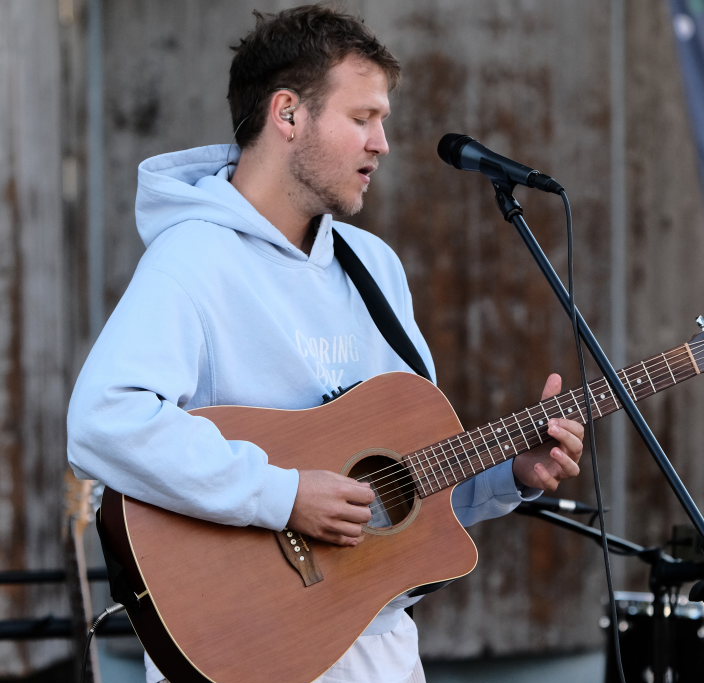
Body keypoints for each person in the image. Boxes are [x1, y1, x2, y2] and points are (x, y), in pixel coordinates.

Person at [65, 5, 585, 682]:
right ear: (288, 114)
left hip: (380, 649)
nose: (382, 143)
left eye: (383, 121)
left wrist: (511, 475)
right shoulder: (192, 260)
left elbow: (395, 496)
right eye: (362, 117)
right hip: (250, 647)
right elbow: (104, 420)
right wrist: (282, 494)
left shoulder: (374, 267)